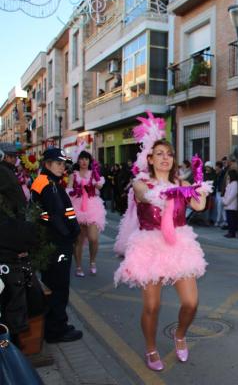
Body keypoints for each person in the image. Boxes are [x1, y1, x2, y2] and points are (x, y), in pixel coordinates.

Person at [114, 136, 208, 371]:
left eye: (169, 153)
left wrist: (198, 183)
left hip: (178, 243)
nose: (165, 157)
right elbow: (148, 197)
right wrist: (181, 190)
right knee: (152, 306)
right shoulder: (141, 182)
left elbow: (199, 206)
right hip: (150, 246)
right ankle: (151, 347)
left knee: (191, 302)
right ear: (150, 158)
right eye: (160, 153)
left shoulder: (179, 182)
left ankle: (179, 334)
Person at [31, 148, 82, 342]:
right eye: (58, 163)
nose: (63, 167)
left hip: (50, 241)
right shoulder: (49, 185)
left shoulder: (46, 181)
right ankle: (56, 330)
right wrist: (70, 235)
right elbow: (56, 215)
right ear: (47, 164)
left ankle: (56, 323)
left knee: (53, 283)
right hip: (57, 242)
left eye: (63, 163)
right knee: (59, 285)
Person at [0, 143, 38, 342]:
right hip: (7, 252)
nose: (14, 159)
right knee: (10, 306)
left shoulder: (11, 174)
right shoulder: (6, 174)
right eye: (11, 156)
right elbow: (20, 210)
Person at [68, 150, 106, 278]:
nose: (84, 161)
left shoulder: (93, 173)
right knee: (78, 240)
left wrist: (95, 177)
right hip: (77, 206)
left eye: (86, 159)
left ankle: (92, 261)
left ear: (90, 161)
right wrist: (74, 191)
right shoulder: (73, 175)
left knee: (93, 239)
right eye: (82, 159)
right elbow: (68, 190)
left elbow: (100, 186)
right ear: (78, 161)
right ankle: (78, 266)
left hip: (92, 207)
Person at [222, 170, 238, 238]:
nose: (228, 176)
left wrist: (226, 202)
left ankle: (232, 233)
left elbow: (232, 195)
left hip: (231, 205)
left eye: (229, 175)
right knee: (229, 219)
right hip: (228, 205)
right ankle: (230, 232)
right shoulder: (230, 183)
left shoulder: (235, 183)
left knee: (231, 220)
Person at [213, 161, 227, 228]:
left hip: (221, 192)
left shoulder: (222, 173)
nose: (215, 168)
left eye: (216, 166)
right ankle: (222, 220)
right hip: (218, 191)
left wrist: (222, 191)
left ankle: (220, 220)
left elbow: (222, 183)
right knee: (220, 206)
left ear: (219, 167)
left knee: (220, 206)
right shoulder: (217, 174)